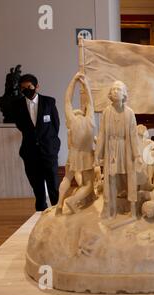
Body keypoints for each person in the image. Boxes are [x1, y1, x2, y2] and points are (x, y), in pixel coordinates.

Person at [95, 80, 142, 220]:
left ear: (124, 94)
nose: (115, 91)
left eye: (119, 89)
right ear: (110, 93)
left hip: (125, 148)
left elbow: (133, 135)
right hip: (111, 149)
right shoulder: (106, 112)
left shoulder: (129, 113)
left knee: (129, 178)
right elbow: (102, 134)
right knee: (111, 179)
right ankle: (111, 210)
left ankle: (133, 210)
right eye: (113, 89)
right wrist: (97, 154)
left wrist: (137, 155)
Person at [14, 74, 60, 211]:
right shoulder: (17, 105)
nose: (26, 90)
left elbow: (56, 126)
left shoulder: (49, 102)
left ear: (36, 86)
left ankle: (57, 212)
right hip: (30, 152)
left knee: (53, 185)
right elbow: (20, 126)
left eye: (29, 87)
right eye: (23, 88)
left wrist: (53, 146)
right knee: (37, 186)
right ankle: (40, 213)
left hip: (49, 151)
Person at [56, 72, 95, 215]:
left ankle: (59, 204)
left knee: (67, 178)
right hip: (86, 155)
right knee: (88, 184)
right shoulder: (89, 120)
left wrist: (73, 81)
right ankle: (72, 201)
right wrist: (86, 85)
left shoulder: (72, 121)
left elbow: (67, 100)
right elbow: (91, 102)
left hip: (73, 154)